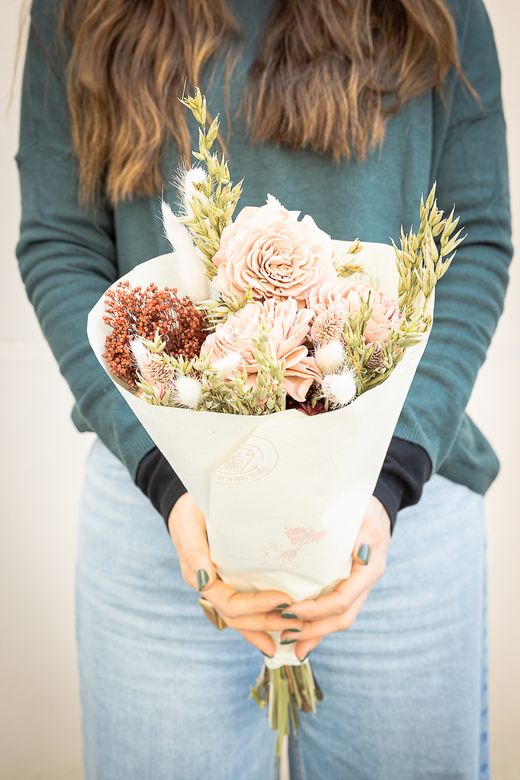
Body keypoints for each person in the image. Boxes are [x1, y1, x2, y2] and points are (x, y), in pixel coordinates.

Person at [15, 1, 512, 778]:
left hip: (395, 522)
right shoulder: (82, 9)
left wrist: (385, 484)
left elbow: (474, 235)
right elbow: (62, 241)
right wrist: (168, 480)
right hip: (161, 524)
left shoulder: (434, 11)